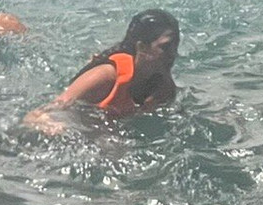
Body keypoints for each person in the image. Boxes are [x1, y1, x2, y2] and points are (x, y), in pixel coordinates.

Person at [23, 9, 180, 132]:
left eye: (175, 45)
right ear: (142, 48)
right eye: (165, 47)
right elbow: (37, 116)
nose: (173, 53)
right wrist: (59, 129)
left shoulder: (164, 89)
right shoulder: (105, 77)